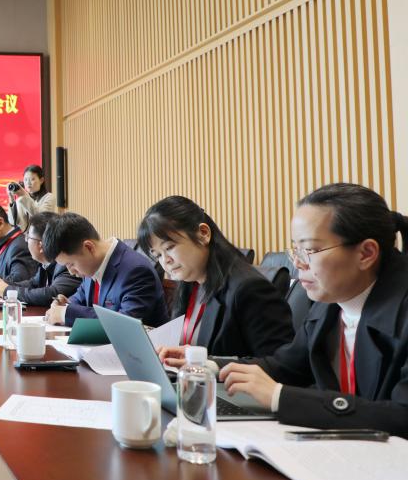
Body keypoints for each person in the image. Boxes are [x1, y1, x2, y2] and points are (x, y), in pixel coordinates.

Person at [220, 183, 408, 435]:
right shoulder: (328, 303)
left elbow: (401, 416)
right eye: (295, 250)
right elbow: (286, 367)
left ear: (366, 253)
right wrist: (209, 367)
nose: (298, 263)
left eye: (310, 250)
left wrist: (280, 397)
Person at [140, 196, 294, 361]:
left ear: (203, 234)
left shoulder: (250, 288)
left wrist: (206, 363)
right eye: (158, 255)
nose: (166, 261)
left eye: (169, 247)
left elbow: (277, 365)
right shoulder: (190, 283)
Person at [42, 212, 167, 327]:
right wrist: (64, 305)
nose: (71, 272)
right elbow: (80, 298)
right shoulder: (92, 266)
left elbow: (124, 324)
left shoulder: (136, 271)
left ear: (89, 247)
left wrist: (65, 313)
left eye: (70, 264)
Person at [0, 212, 81, 307]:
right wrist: (2, 284)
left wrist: (7, 291)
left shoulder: (65, 264)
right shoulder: (46, 264)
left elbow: (52, 294)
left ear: (41, 245)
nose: (25, 240)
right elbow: (33, 284)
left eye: (28, 237)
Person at [7, 164, 56, 233]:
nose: (28, 183)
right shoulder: (21, 199)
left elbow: (41, 218)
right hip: (24, 237)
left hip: (41, 236)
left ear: (41, 180)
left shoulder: (49, 197)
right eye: (25, 179)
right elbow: (13, 221)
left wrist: (24, 196)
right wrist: (11, 198)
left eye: (32, 179)